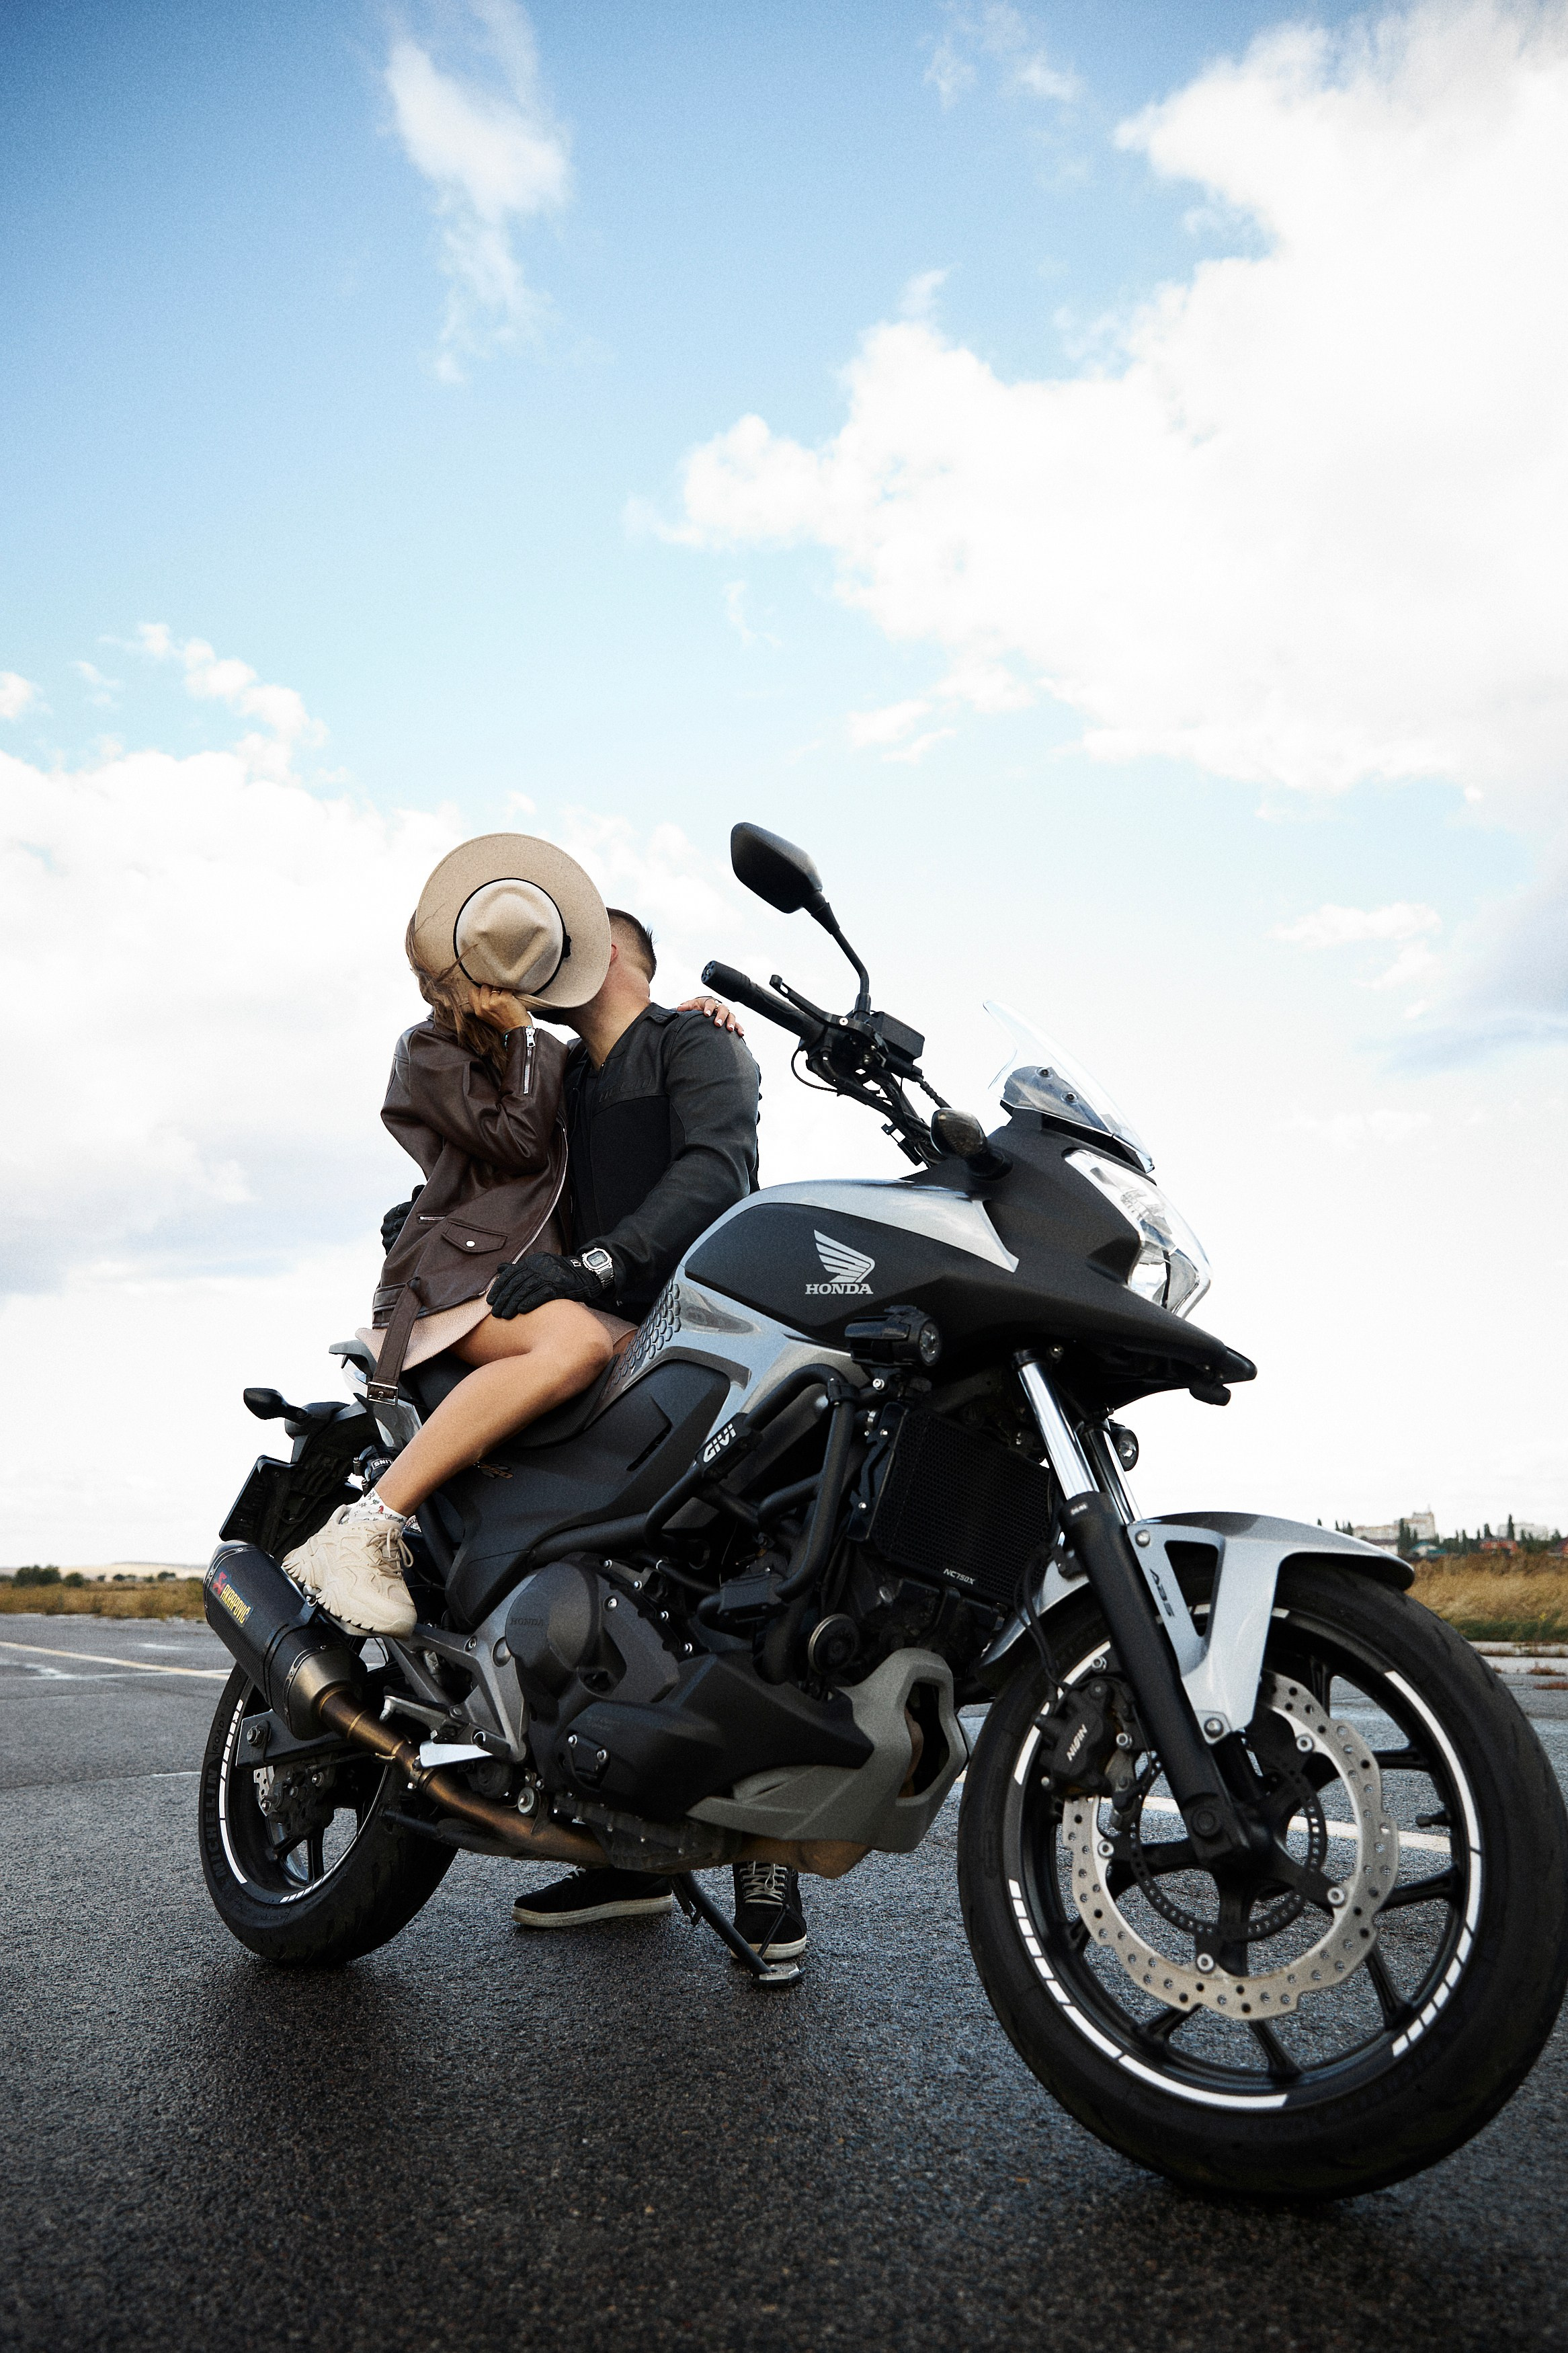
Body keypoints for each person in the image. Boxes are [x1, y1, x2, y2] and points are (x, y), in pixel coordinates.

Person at [381, 897, 808, 1962]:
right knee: (609, 1585)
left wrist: (607, 1262)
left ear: (612, 953)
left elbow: (717, 1169)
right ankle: (615, 1848)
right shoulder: (562, 1076)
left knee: (738, 1567)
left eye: (567, 944)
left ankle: (763, 1857)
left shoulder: (692, 1045)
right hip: (594, 1332)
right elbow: (502, 1160)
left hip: (703, 1338)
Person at [284, 834, 630, 1639]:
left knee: (662, 1353)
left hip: (530, 1276)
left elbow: (615, 1066)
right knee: (577, 1346)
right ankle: (365, 1525)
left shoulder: (546, 1055)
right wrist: (526, 1036)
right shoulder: (430, 1050)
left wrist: (684, 1022)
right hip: (453, 1281)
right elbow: (512, 1142)